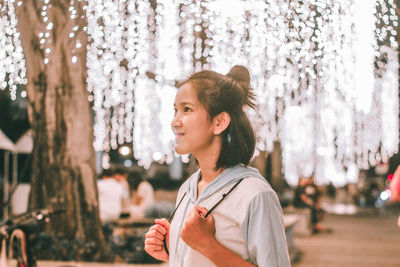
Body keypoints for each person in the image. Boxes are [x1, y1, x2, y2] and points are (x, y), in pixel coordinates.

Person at [144, 66, 290, 266]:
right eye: (175, 110)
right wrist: (174, 250)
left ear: (220, 122)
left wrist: (207, 244)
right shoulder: (187, 189)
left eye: (187, 109)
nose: (175, 122)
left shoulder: (255, 194)